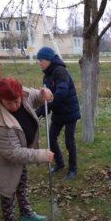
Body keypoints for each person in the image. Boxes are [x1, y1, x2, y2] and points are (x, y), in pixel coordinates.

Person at [0, 77, 54, 221]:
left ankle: (26, 213)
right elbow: (14, 153)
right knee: (8, 188)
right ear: (0, 100)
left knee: (22, 181)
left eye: (17, 101)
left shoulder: (22, 95)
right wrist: (41, 154)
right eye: (9, 103)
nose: (14, 106)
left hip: (19, 148)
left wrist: (42, 94)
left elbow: (33, 96)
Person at [35, 46, 81, 180]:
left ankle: (73, 169)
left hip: (70, 111)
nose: (38, 62)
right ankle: (60, 163)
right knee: (52, 138)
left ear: (49, 60)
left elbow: (61, 92)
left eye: (41, 59)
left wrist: (44, 109)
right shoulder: (46, 77)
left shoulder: (60, 71)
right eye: (38, 60)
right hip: (58, 112)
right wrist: (39, 111)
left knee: (69, 141)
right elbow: (48, 98)